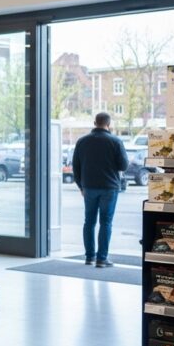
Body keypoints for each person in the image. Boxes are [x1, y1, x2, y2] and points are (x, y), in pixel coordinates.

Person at [71, 112, 129, 268]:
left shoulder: (82, 141)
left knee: (89, 222)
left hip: (88, 187)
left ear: (94, 123)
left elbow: (75, 166)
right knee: (106, 222)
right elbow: (123, 166)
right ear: (109, 124)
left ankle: (89, 257)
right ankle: (102, 259)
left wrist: (80, 186)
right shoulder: (115, 141)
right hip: (109, 188)